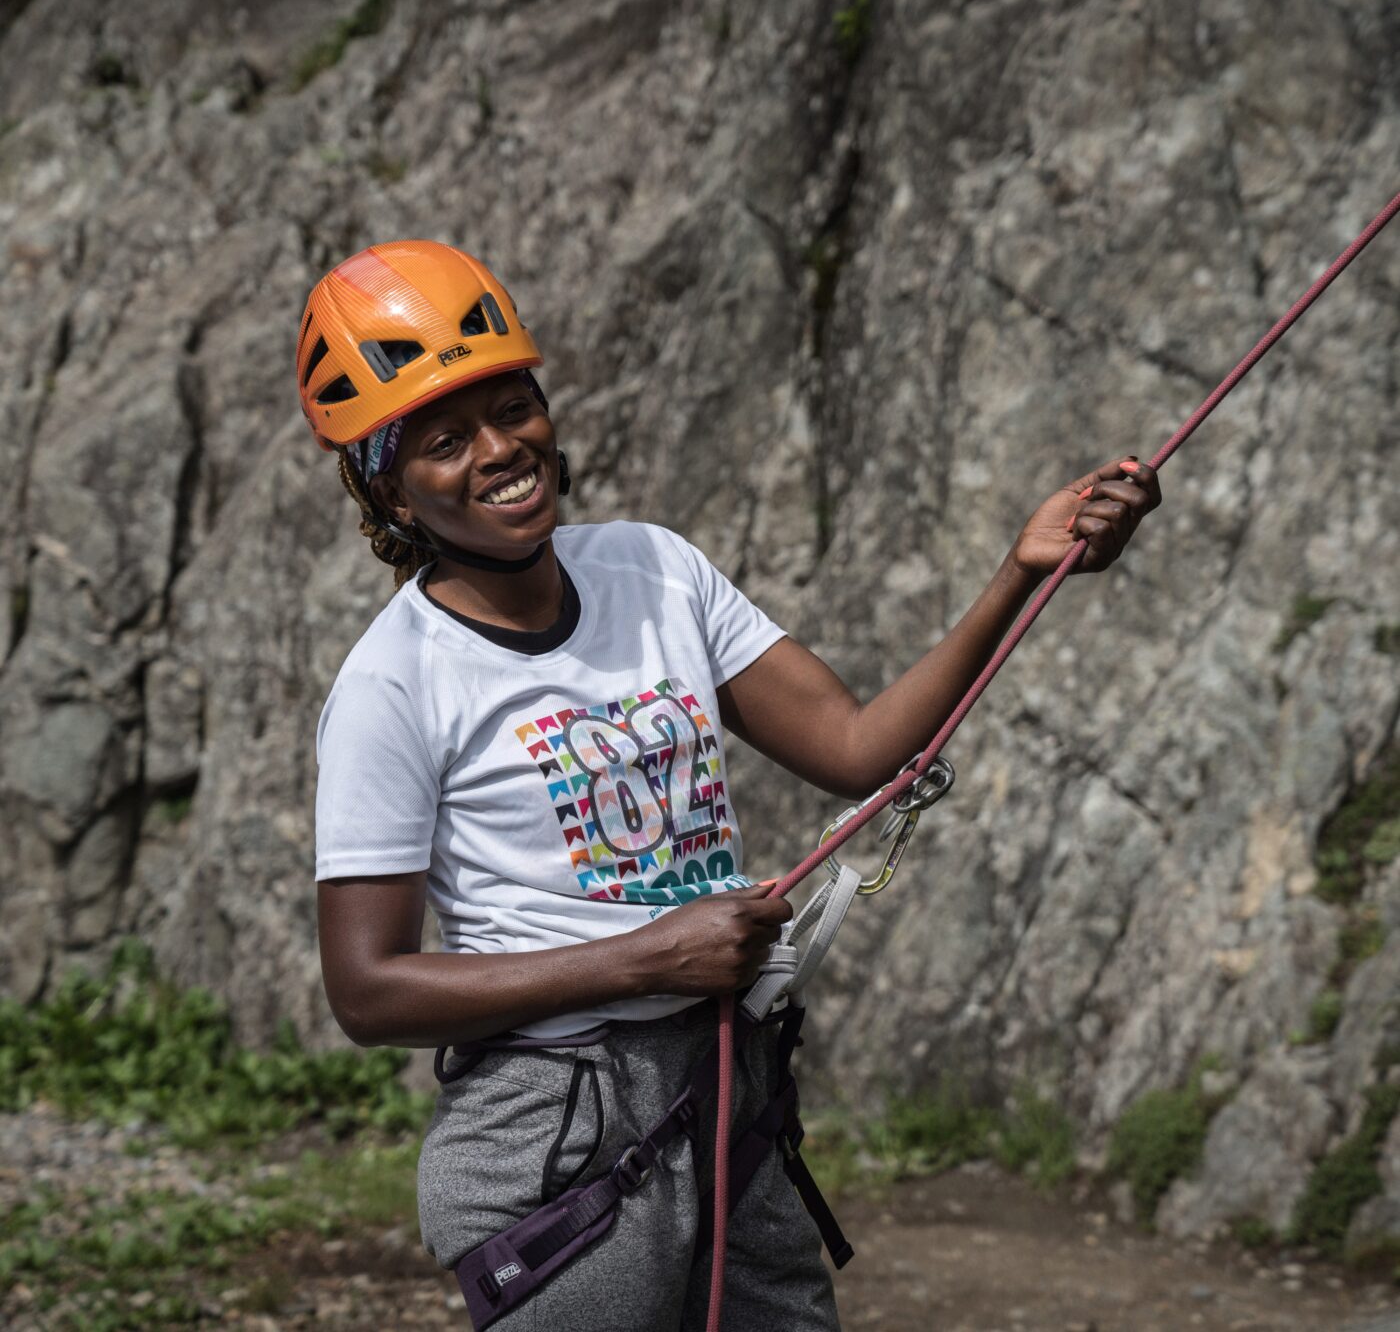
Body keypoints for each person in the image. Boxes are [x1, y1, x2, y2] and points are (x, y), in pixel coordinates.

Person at [300, 239, 1162, 1330]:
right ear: (390, 487)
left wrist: (1021, 571)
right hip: (557, 1117)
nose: (500, 449)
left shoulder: (655, 569)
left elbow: (854, 746)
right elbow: (368, 989)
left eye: (513, 408)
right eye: (444, 440)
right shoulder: (395, 681)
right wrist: (648, 956)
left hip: (723, 1079)